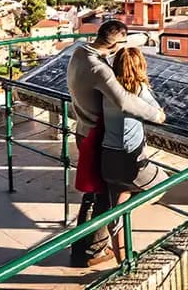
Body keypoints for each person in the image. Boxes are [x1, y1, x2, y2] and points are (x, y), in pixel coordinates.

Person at [67, 20, 165, 267]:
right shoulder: (99, 69)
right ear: (117, 44)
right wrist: (157, 115)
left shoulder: (80, 50)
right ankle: (90, 252)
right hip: (95, 134)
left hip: (84, 128)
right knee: (100, 199)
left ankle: (88, 248)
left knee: (97, 195)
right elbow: (124, 100)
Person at [101, 47, 169, 262]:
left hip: (107, 156)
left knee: (117, 205)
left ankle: (123, 260)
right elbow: (158, 114)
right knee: (163, 183)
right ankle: (128, 210)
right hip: (130, 157)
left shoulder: (107, 88)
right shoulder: (139, 89)